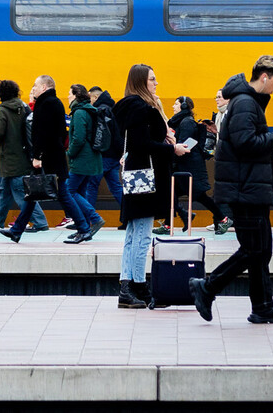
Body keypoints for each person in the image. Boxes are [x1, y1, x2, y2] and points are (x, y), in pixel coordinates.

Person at [189, 55, 273, 325]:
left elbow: (247, 141)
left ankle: (262, 307)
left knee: (262, 250)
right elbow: (244, 142)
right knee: (253, 250)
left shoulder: (248, 102)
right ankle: (207, 286)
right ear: (264, 76)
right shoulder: (246, 103)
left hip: (250, 188)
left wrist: (270, 144)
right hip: (244, 189)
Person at [113, 64, 179, 307]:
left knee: (133, 234)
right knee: (141, 235)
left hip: (137, 175)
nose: (156, 83)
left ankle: (127, 287)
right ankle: (139, 287)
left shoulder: (131, 107)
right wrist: (172, 148)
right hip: (146, 178)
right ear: (141, 82)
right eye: (152, 79)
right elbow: (143, 144)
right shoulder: (141, 108)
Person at [3, 75, 98, 245]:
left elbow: (44, 134)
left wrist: (38, 156)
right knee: (33, 194)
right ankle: (17, 230)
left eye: (35, 85)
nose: (33, 88)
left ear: (45, 87)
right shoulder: (50, 102)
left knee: (63, 194)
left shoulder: (48, 104)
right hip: (51, 156)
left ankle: (84, 229)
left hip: (49, 158)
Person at [0, 79, 46, 233]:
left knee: (20, 192)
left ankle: (40, 221)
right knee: (4, 192)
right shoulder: (23, 107)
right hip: (23, 156)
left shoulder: (2, 110)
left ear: (2, 93)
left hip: (11, 158)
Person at [164, 95, 229, 235]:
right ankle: (169, 224)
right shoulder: (183, 121)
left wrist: (173, 146)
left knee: (200, 196)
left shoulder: (186, 122)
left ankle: (223, 219)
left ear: (183, 106)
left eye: (176, 104)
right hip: (184, 167)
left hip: (190, 167)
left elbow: (184, 144)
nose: (173, 107)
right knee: (171, 193)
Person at [66, 84, 108, 234]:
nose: (68, 97)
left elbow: (78, 138)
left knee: (68, 191)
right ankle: (83, 228)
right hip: (92, 159)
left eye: (69, 94)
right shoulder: (90, 110)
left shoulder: (79, 113)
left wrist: (69, 153)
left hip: (82, 160)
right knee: (81, 192)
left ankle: (94, 218)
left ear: (76, 96)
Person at [91, 83, 124, 228]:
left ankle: (88, 220)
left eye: (90, 98)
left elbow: (100, 135)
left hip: (103, 156)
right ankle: (128, 217)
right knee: (116, 187)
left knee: (91, 186)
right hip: (115, 155)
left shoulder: (100, 110)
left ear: (96, 97)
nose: (89, 101)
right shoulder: (114, 109)